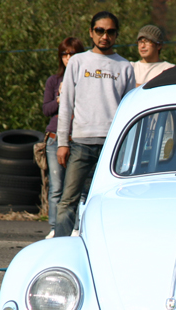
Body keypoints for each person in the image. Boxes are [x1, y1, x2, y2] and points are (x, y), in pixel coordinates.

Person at [55, 11, 136, 238]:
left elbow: (128, 110)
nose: (104, 36)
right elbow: (66, 106)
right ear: (91, 32)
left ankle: (105, 243)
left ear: (116, 35)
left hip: (113, 147)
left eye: (110, 32)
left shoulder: (125, 66)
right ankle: (60, 246)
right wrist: (63, 142)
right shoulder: (78, 61)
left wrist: (128, 148)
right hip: (81, 143)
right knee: (68, 200)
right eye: (100, 31)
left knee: (108, 200)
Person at [42, 37, 85, 239]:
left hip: (77, 138)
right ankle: (54, 227)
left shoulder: (85, 79)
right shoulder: (53, 80)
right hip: (54, 138)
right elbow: (46, 109)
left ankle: (77, 227)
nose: (68, 58)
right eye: (65, 54)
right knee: (56, 187)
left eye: (72, 54)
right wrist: (60, 99)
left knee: (78, 187)